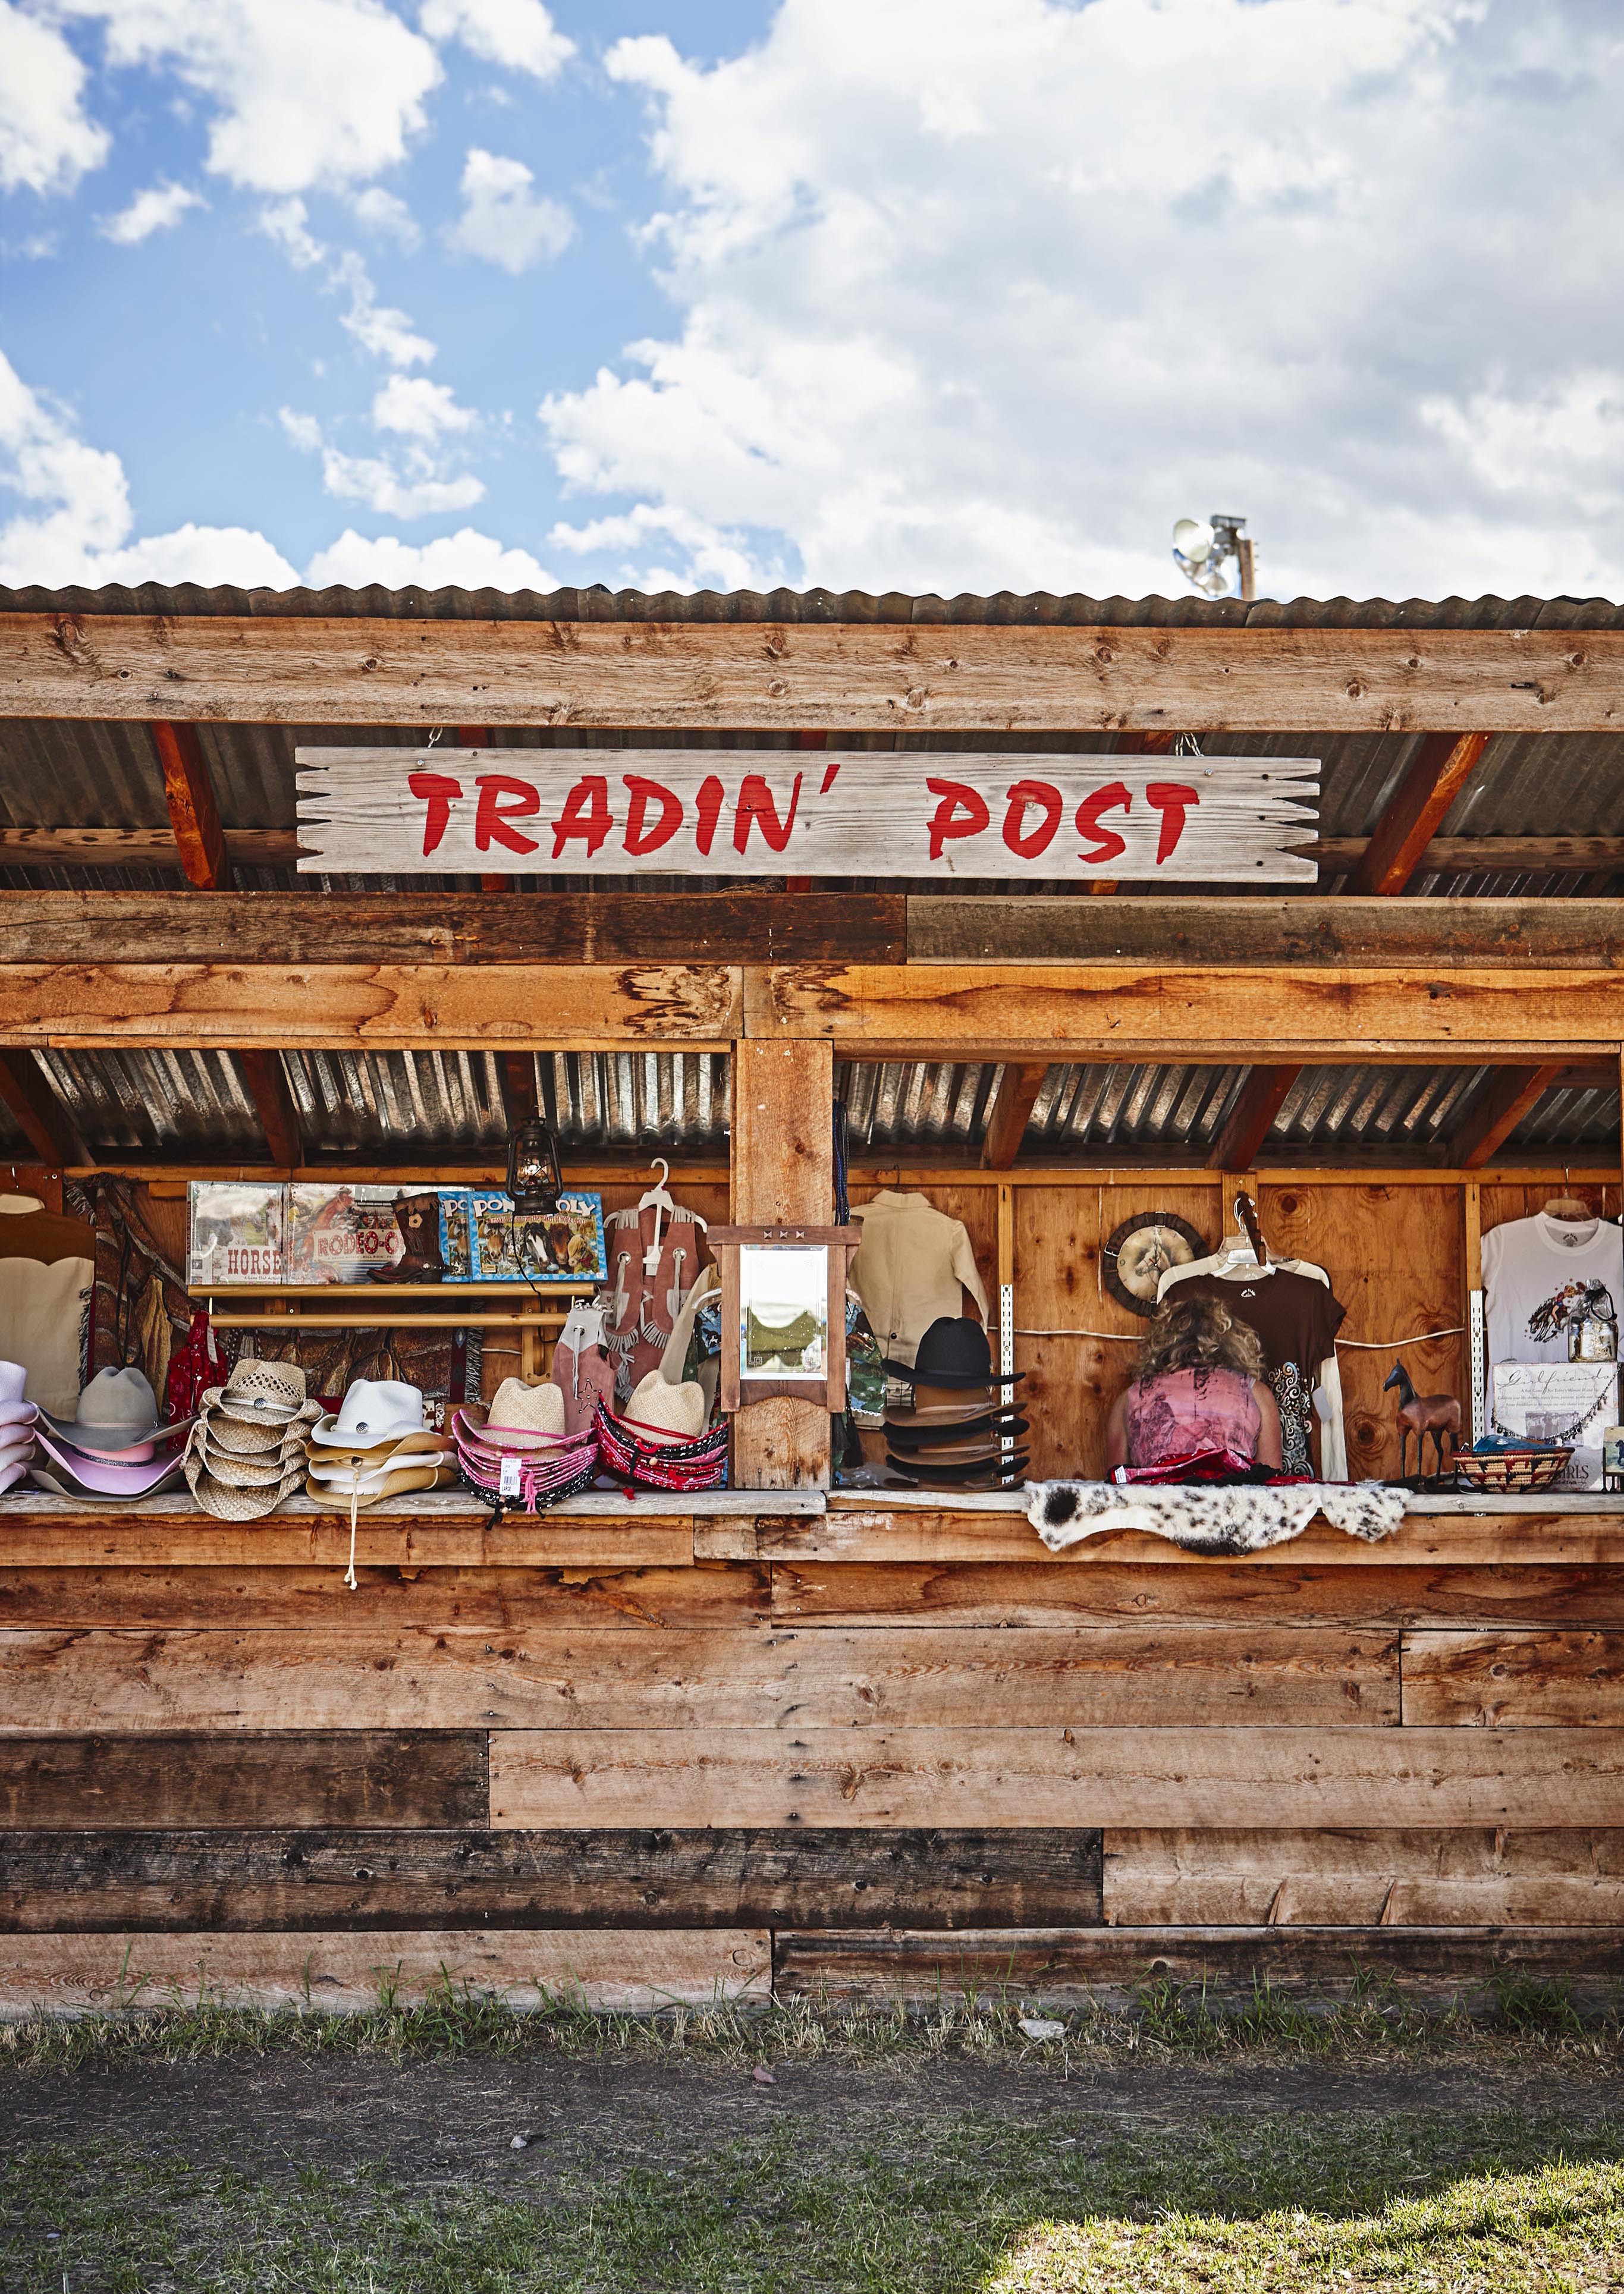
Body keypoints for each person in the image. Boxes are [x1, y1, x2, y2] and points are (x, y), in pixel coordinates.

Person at [1106, 1294, 1283, 1473]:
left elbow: (1115, 1487)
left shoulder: (1129, 1398)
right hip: (1231, 1501)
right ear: (1233, 1342)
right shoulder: (1257, 1394)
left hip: (1156, 1501)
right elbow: (1272, 1484)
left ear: (1162, 1341)